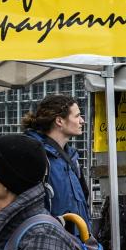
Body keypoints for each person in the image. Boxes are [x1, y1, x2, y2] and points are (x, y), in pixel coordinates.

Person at [22, 94, 90, 224]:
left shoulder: (71, 157)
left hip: (75, 239)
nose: (82, 121)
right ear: (59, 121)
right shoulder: (35, 155)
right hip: (52, 240)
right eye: (77, 116)